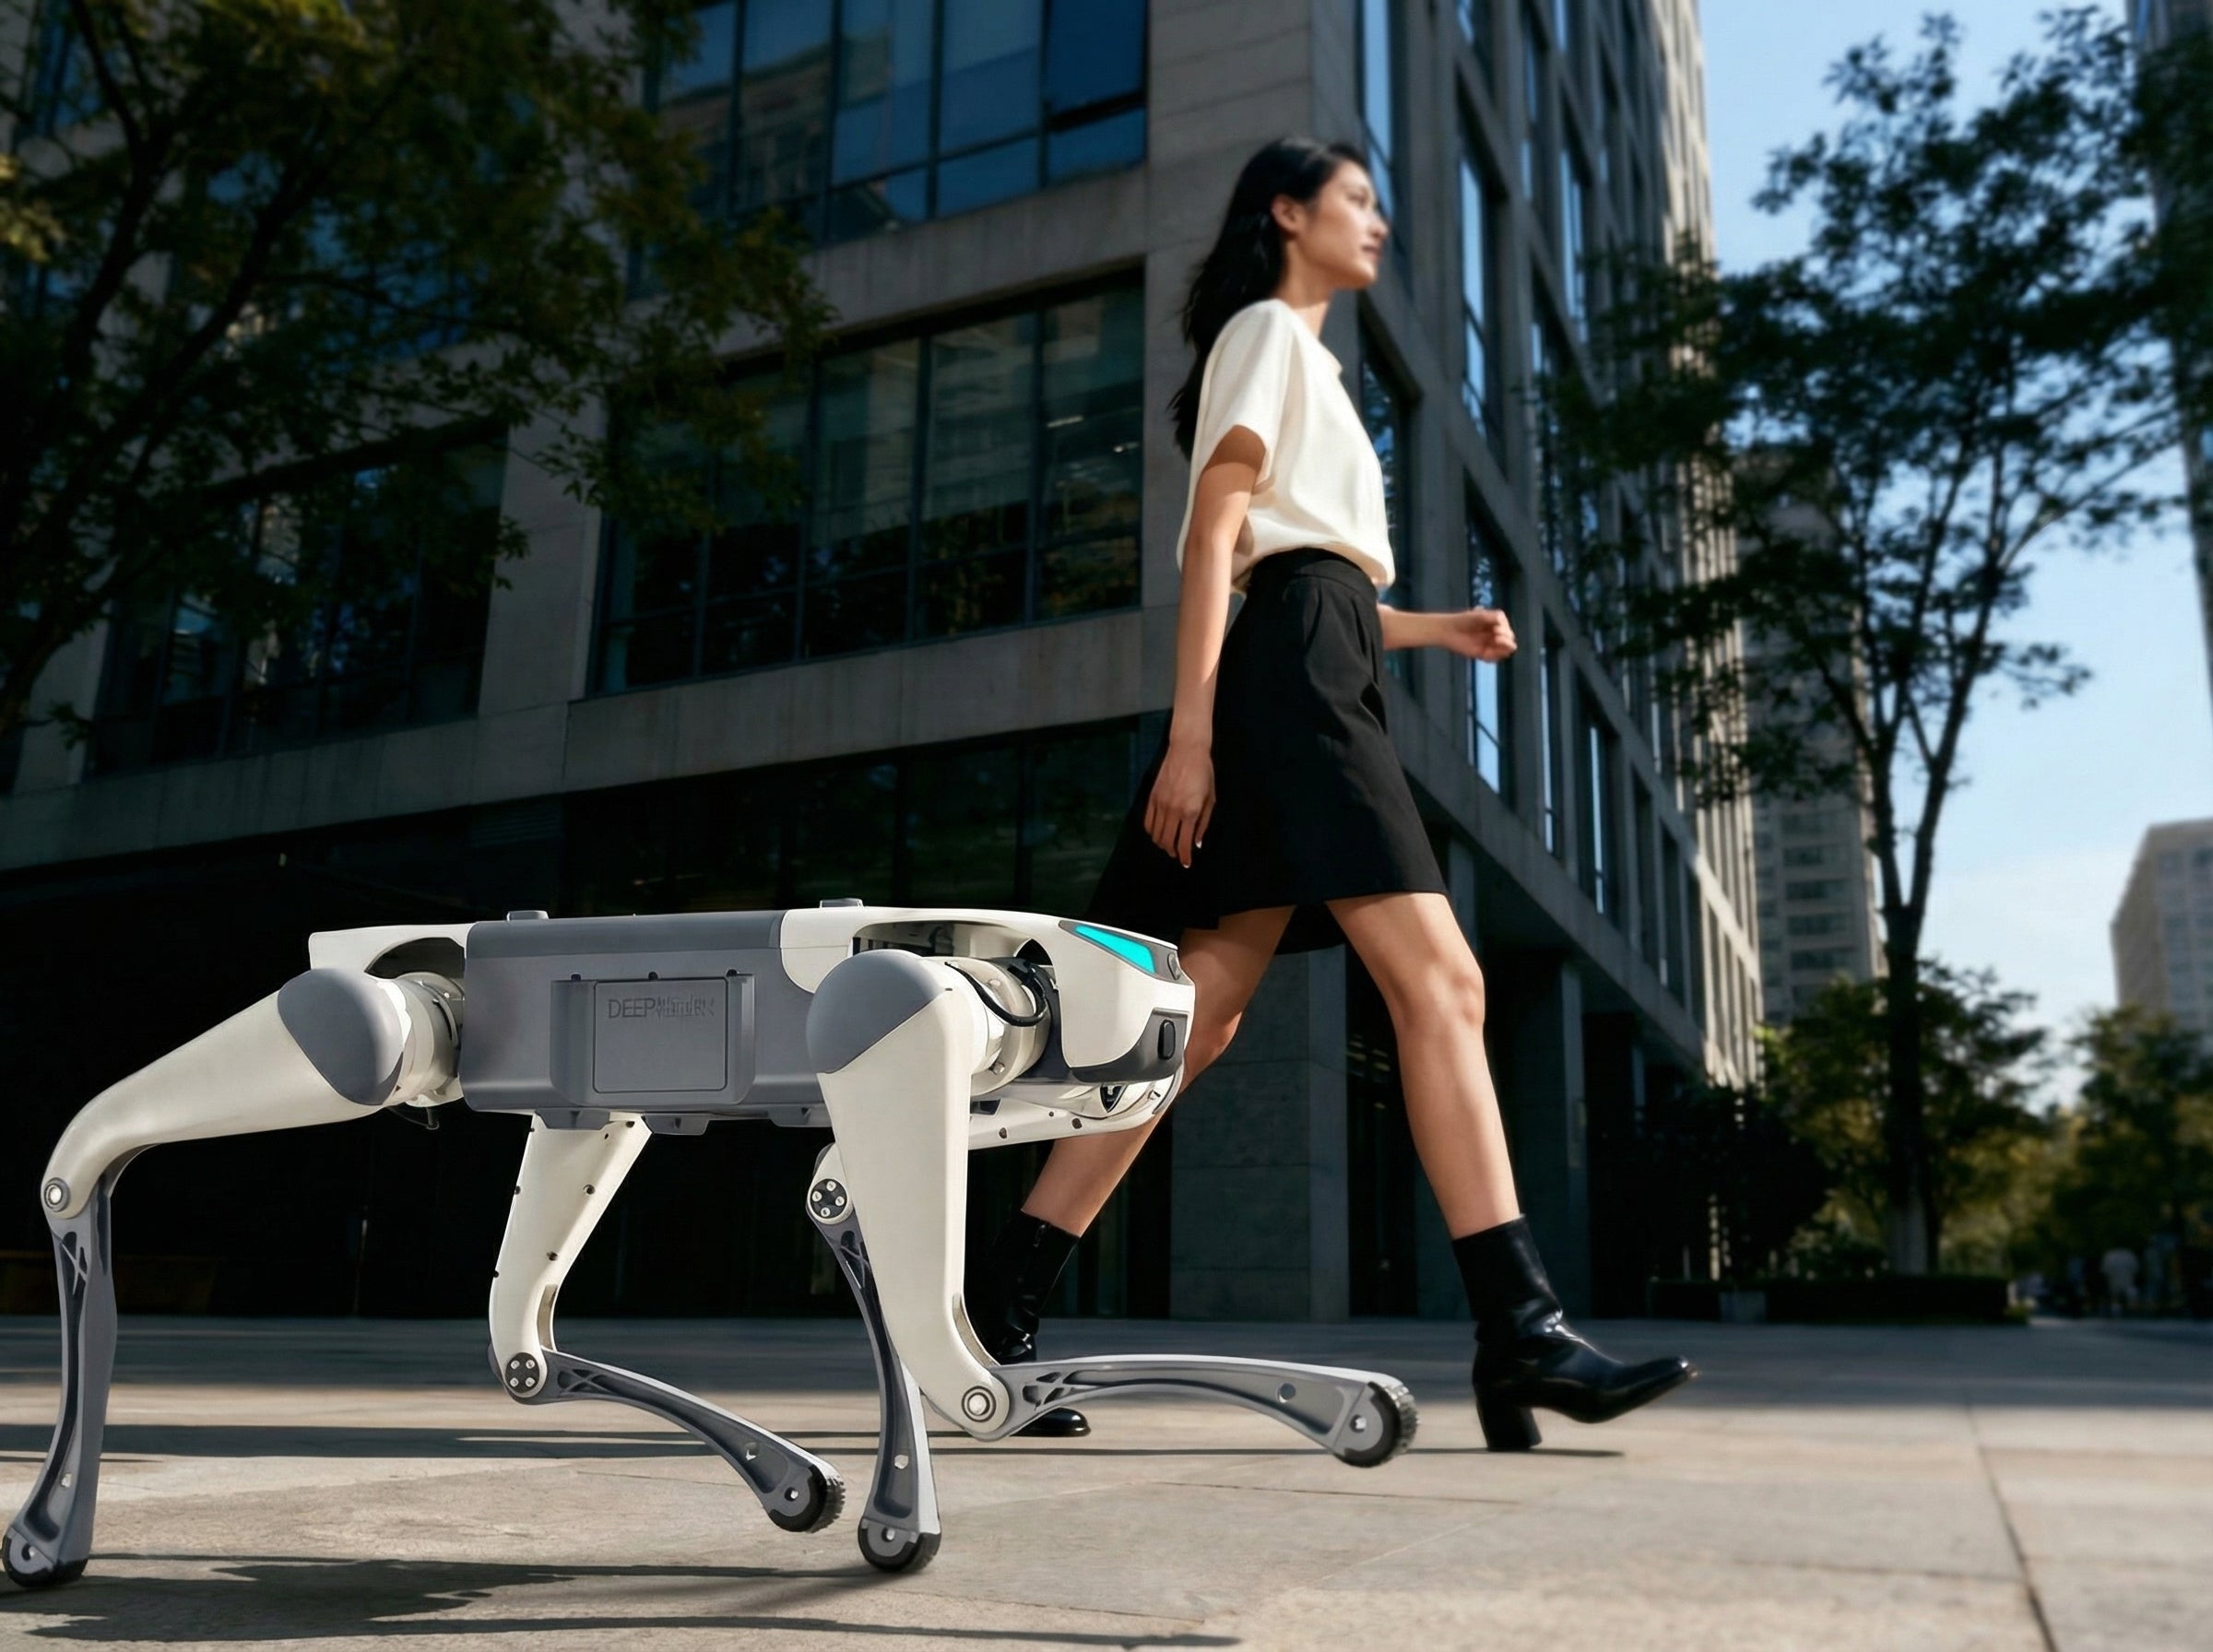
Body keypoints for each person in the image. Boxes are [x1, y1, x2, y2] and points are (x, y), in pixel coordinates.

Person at [964, 136, 1694, 1451]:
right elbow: (1221, 538)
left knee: (1195, 1021)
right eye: (1358, 199)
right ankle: (1522, 1328)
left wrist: (1433, 631)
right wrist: (1191, 739)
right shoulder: (1262, 333)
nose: (1380, 222)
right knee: (1444, 979)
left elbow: (1320, 575)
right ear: (1288, 214)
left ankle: (991, 1315)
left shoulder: (1320, 371)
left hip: (1324, 652)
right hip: (1287, 679)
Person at [2101, 1245, 2139, 1316]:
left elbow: (2105, 1271)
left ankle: (2116, 1312)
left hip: (2114, 1281)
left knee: (2115, 1297)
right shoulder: (2129, 1255)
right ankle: (2131, 1312)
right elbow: (2135, 1270)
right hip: (2127, 1281)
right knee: (2130, 1296)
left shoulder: (2110, 1255)